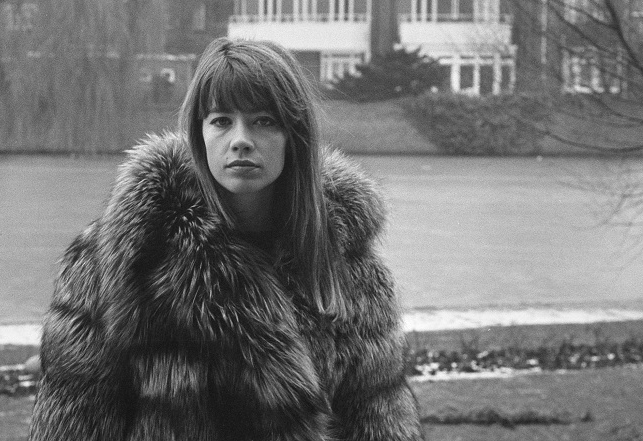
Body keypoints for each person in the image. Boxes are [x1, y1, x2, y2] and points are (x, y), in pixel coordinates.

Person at [29, 37, 423, 441]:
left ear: (295, 135)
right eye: (221, 120)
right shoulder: (122, 258)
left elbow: (379, 420)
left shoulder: (350, 266)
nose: (240, 139)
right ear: (199, 133)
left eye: (264, 121)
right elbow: (73, 422)